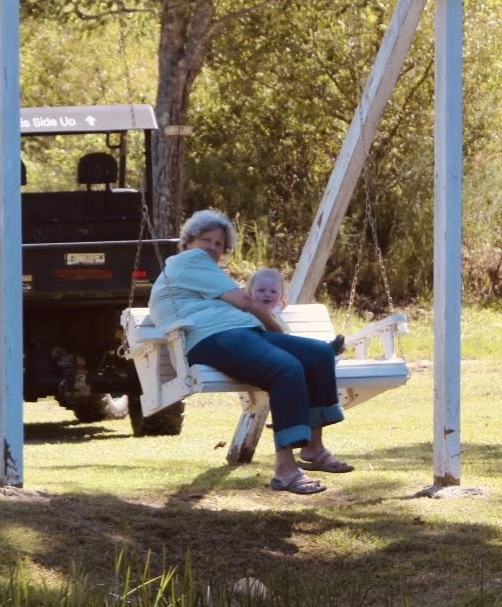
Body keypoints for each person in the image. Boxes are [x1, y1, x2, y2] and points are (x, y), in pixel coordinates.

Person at [147, 209, 352, 494]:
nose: (212, 248)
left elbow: (241, 307)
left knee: (319, 354)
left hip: (240, 332)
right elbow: (246, 301)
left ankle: (314, 450)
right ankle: (285, 470)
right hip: (210, 337)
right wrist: (279, 335)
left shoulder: (205, 272)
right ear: (189, 241)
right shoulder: (188, 261)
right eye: (206, 239)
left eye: (219, 244)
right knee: (286, 368)